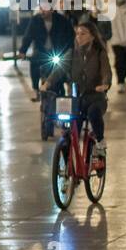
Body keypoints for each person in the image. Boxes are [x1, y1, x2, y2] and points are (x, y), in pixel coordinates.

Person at [42, 20, 112, 160]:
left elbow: (106, 71)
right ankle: (69, 167)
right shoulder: (72, 53)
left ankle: (100, 141)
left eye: (83, 34)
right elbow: (59, 69)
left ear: (92, 36)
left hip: (96, 98)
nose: (78, 37)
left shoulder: (99, 53)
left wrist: (104, 84)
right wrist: (48, 82)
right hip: (77, 99)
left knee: (93, 113)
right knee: (71, 130)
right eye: (77, 34)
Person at [18, 1, 75, 100]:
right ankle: (36, 89)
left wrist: (70, 49)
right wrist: (23, 51)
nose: (42, 11)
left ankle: (61, 87)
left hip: (57, 51)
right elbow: (28, 35)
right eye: (41, 8)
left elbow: (70, 36)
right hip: (41, 51)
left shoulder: (62, 20)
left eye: (45, 9)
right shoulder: (35, 20)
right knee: (34, 64)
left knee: (61, 68)